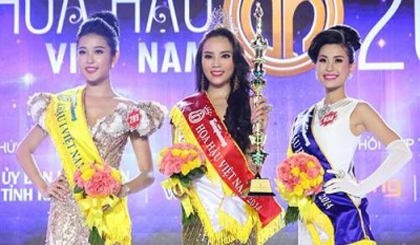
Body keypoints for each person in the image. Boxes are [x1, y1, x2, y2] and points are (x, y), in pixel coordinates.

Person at [16, 11, 166, 244]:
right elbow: (23, 150)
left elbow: (147, 173)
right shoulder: (60, 104)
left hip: (107, 211)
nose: (89, 59)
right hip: (65, 213)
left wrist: (121, 190)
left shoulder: (130, 111)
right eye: (83, 52)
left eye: (98, 52)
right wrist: (44, 187)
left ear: (114, 57)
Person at [286, 25, 412, 245]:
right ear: (316, 67)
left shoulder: (357, 109)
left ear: (350, 66)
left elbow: (402, 151)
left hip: (343, 216)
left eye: (338, 60)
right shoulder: (302, 117)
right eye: (323, 60)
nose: (330, 67)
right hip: (310, 218)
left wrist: (360, 188)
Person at [168, 14, 282, 244]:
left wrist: (260, 130)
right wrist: (178, 183)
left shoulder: (249, 106)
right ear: (201, 61)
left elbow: (252, 170)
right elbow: (177, 174)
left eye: (225, 56)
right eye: (209, 56)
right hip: (200, 220)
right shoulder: (185, 112)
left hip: (239, 215)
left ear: (235, 61)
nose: (216, 64)